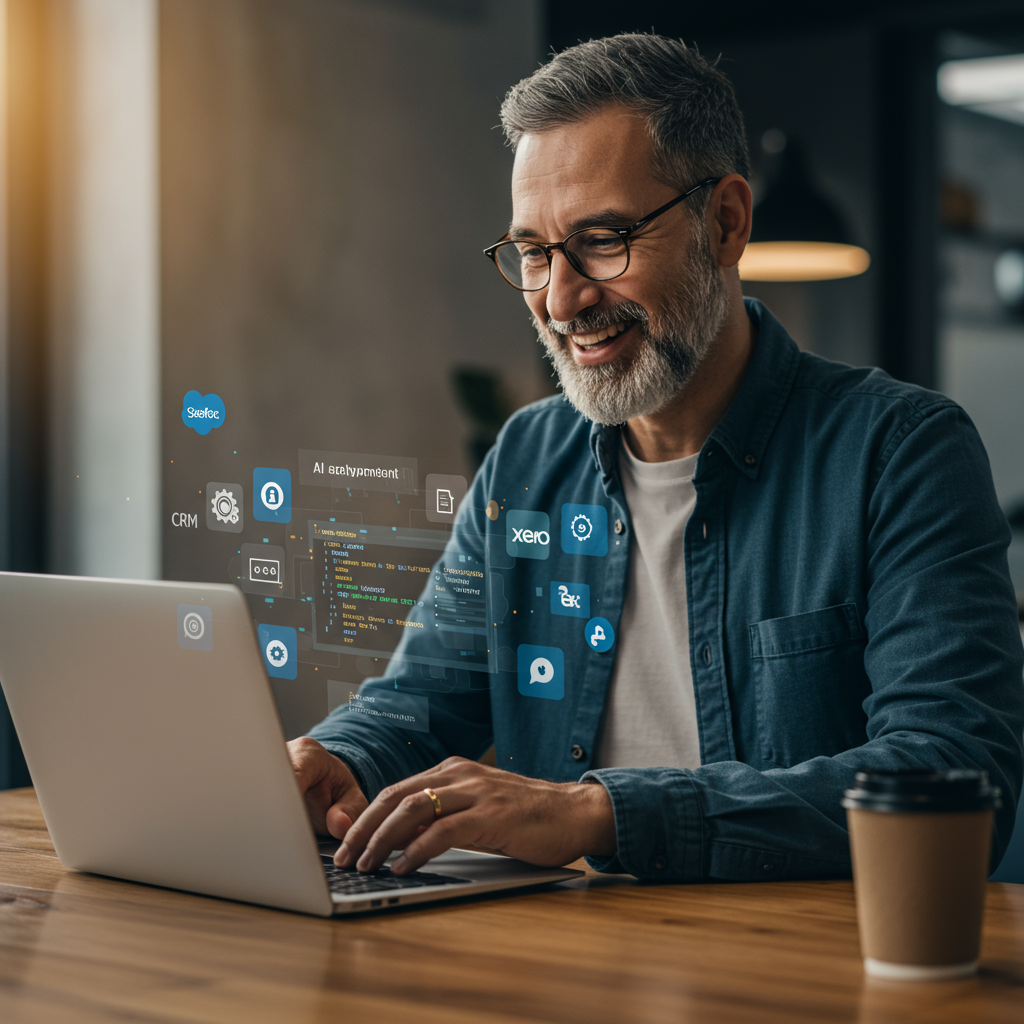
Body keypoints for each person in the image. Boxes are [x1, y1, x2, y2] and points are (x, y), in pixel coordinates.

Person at [289, 33, 1024, 881]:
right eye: (534, 251)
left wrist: (599, 813)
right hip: (565, 967)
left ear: (725, 222)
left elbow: (955, 777)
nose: (561, 300)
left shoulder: (901, 453)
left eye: (604, 239)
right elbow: (421, 704)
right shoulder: (528, 456)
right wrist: (334, 758)